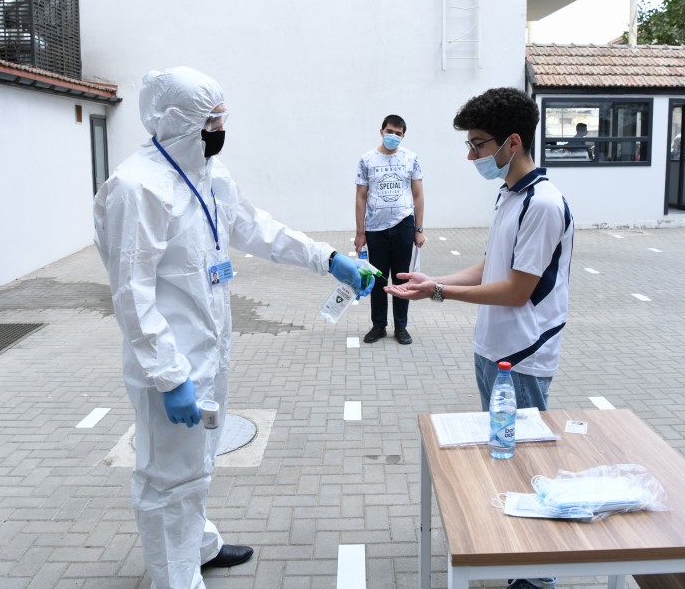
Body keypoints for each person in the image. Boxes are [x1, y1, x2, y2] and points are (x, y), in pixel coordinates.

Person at [93, 67, 373, 589]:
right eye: (212, 119)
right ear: (180, 121)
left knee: (198, 463)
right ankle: (174, 579)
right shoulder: (137, 188)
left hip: (210, 352)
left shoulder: (209, 175)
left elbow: (256, 228)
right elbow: (132, 293)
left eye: (222, 118)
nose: (221, 128)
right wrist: (169, 375)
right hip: (171, 365)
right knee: (165, 479)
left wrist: (328, 258)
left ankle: (199, 546)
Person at [387, 88, 570, 589]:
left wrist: (440, 293)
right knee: (504, 458)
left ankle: (537, 578)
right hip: (494, 349)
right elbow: (493, 266)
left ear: (513, 142)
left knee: (528, 464)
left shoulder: (543, 202)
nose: (471, 156)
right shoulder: (510, 194)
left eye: (478, 145)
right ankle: (517, 563)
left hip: (524, 356)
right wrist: (434, 281)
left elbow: (516, 290)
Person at [355, 115, 426, 345]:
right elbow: (361, 196)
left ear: (403, 135)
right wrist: (360, 232)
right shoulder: (367, 160)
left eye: (398, 133)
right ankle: (378, 325)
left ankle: (401, 327)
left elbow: (418, 195)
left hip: (403, 224)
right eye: (389, 131)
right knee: (378, 278)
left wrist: (419, 229)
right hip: (375, 228)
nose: (393, 136)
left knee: (401, 277)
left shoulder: (411, 158)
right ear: (381, 131)